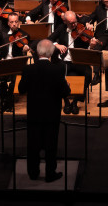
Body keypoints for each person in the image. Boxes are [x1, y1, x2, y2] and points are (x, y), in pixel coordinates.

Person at [18, 39, 71, 182]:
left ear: (36, 52)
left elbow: (21, 89)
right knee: (50, 144)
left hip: (34, 113)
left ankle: (33, 173)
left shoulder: (28, 69)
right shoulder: (57, 70)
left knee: (33, 144)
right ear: (51, 53)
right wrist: (66, 85)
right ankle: (50, 173)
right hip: (51, 114)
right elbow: (65, 92)